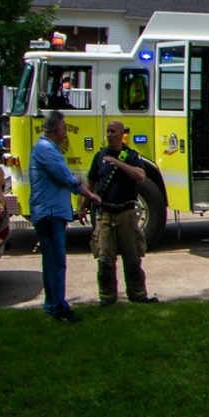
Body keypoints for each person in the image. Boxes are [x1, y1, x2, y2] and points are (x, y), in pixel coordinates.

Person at [87, 120, 158, 306]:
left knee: (133, 258)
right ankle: (107, 298)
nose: (109, 134)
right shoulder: (99, 156)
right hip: (105, 215)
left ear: (121, 134)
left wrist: (119, 164)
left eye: (113, 131)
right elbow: (91, 182)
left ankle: (138, 295)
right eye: (108, 131)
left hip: (126, 214)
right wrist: (81, 206)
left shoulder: (131, 156)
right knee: (104, 260)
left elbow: (141, 176)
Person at [29, 111, 86, 324]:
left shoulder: (46, 148)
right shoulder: (46, 149)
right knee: (56, 262)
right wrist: (86, 191)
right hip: (50, 213)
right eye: (64, 127)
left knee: (52, 261)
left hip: (50, 212)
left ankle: (52, 304)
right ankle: (58, 307)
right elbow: (64, 177)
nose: (65, 131)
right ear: (56, 129)